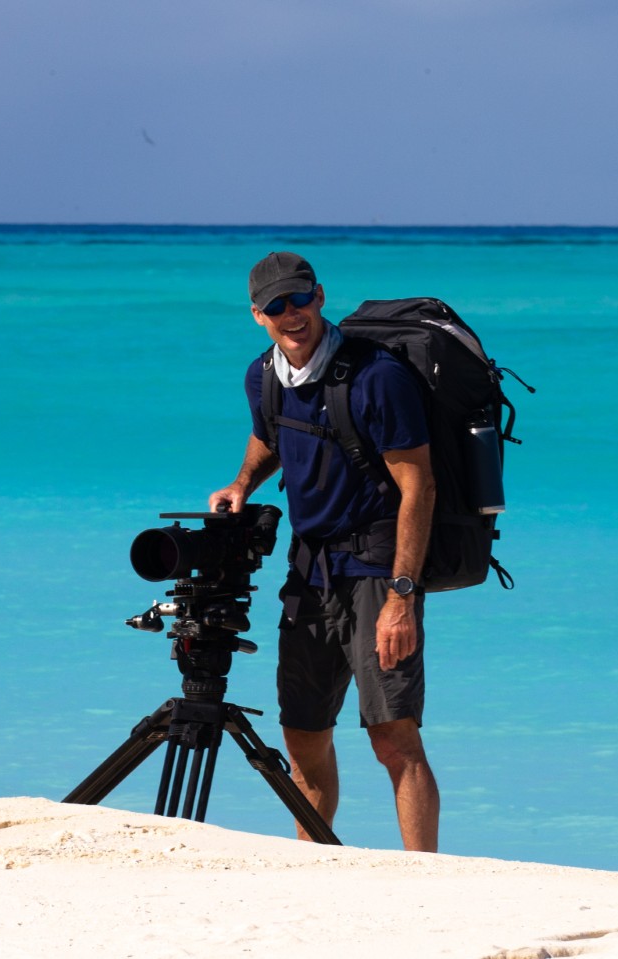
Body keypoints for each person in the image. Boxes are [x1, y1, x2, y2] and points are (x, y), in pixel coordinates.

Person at [208, 251, 440, 852]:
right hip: (309, 571)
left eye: (300, 299)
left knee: (393, 738)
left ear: (320, 297)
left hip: (377, 570)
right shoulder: (263, 376)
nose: (293, 314)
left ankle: (427, 881)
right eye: (277, 306)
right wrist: (242, 484)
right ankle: (315, 866)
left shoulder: (376, 377)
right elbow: (270, 435)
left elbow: (418, 485)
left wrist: (402, 598)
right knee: (303, 736)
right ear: (258, 315)